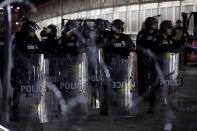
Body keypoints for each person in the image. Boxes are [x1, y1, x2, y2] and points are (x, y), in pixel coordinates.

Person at [100, 19, 135, 115]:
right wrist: (117, 48)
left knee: (122, 87)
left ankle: (123, 106)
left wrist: (127, 49)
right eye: (118, 27)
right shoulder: (107, 37)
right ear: (113, 28)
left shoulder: (125, 37)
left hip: (122, 67)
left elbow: (132, 46)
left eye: (121, 27)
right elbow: (103, 46)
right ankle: (105, 106)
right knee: (108, 86)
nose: (120, 29)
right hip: (110, 66)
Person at [11, 19, 40, 121]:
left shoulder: (34, 37)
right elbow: (12, 50)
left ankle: (37, 111)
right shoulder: (17, 36)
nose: (33, 32)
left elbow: (39, 47)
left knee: (36, 88)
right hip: (19, 68)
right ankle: (14, 113)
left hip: (32, 67)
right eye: (32, 30)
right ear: (28, 28)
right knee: (18, 90)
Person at [136, 17, 159, 113]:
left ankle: (152, 102)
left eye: (156, 23)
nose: (156, 25)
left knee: (155, 81)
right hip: (144, 60)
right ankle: (144, 96)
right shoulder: (142, 33)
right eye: (154, 23)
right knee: (144, 79)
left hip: (155, 60)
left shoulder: (157, 33)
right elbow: (141, 46)